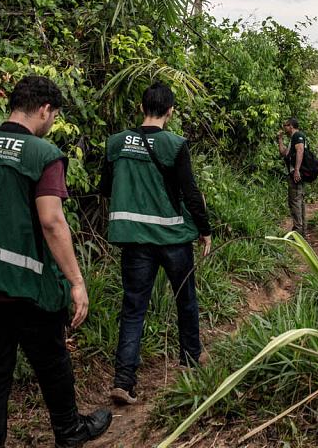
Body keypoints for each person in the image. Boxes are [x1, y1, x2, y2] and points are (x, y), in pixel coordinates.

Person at [0, 75, 111, 448]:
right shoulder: (42, 154)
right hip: (27, 286)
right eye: (54, 115)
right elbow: (51, 220)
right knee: (52, 361)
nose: (51, 123)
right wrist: (76, 282)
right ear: (44, 109)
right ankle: (69, 431)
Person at [101, 81, 212, 406]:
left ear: (141, 108)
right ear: (170, 111)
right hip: (172, 238)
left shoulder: (117, 142)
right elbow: (189, 192)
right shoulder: (174, 144)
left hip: (134, 241)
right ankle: (190, 358)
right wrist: (204, 229)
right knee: (185, 298)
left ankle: (124, 380)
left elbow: (106, 187)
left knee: (134, 308)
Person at [277, 117, 306, 236]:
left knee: (295, 202)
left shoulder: (298, 135)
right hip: (293, 173)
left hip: (296, 174)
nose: (284, 128)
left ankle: (298, 232)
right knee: (297, 200)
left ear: (291, 126)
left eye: (285, 125)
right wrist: (280, 140)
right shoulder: (292, 139)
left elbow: (300, 151)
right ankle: (301, 229)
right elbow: (284, 153)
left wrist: (297, 170)